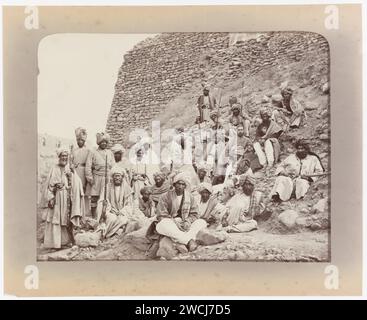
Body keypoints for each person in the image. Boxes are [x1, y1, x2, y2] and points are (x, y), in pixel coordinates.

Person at [41, 147, 85, 249]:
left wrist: (72, 174)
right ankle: (55, 243)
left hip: (67, 198)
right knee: (55, 219)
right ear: (59, 157)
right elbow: (48, 186)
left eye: (66, 156)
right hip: (56, 198)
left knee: (66, 219)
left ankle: (65, 241)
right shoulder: (54, 168)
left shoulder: (69, 169)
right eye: (62, 156)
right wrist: (50, 197)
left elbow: (77, 182)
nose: (64, 158)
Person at [155, 173, 207, 251]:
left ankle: (182, 239)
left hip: (185, 223)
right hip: (171, 223)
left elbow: (195, 214)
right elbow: (161, 215)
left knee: (202, 222)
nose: (180, 186)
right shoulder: (165, 196)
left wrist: (188, 221)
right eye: (179, 184)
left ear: (185, 186)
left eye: (183, 184)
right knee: (162, 225)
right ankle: (189, 241)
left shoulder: (190, 197)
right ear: (174, 184)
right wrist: (175, 222)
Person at [95, 166, 135, 239]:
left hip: (122, 212)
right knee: (112, 218)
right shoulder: (107, 187)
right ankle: (103, 234)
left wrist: (122, 211)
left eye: (119, 176)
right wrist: (107, 207)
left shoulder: (127, 188)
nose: (117, 178)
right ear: (113, 177)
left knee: (123, 220)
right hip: (110, 211)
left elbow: (129, 204)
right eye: (115, 176)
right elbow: (102, 200)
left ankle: (110, 233)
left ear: (122, 177)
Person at [85, 132, 115, 218]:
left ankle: (104, 216)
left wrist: (111, 177)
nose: (104, 144)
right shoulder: (93, 152)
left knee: (105, 198)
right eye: (102, 142)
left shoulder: (110, 153)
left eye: (105, 142)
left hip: (107, 178)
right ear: (99, 142)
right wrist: (89, 178)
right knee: (95, 197)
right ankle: (94, 216)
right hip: (96, 177)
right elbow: (88, 166)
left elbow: (113, 166)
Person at [253, 108, 283, 174]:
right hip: (262, 140)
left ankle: (270, 163)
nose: (265, 116)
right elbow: (257, 135)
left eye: (266, 115)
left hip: (272, 140)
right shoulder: (260, 125)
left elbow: (277, 132)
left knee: (268, 142)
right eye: (263, 115)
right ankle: (264, 164)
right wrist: (259, 140)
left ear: (268, 115)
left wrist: (266, 138)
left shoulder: (272, 123)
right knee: (255, 144)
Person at [71, 127, 91, 215]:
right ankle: (75, 211)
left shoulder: (88, 150)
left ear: (84, 141)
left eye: (81, 140)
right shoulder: (73, 150)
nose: (80, 142)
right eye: (78, 140)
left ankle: (84, 212)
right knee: (75, 190)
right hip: (75, 171)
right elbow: (70, 160)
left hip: (83, 171)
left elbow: (89, 163)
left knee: (84, 191)